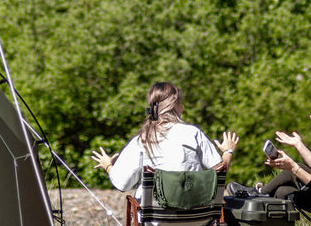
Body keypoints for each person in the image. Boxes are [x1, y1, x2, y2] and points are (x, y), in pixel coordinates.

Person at [91, 81, 239, 203]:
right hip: (195, 218)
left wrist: (108, 166)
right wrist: (228, 151)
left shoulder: (142, 140)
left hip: (154, 221)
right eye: (180, 103)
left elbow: (122, 183)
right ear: (173, 105)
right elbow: (220, 173)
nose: (183, 108)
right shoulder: (193, 133)